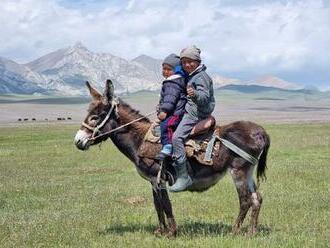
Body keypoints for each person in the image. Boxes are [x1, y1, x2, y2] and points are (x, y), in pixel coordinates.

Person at [169, 45, 215, 192]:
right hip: (190, 111)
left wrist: (194, 93)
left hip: (195, 114)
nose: (187, 65)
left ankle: (183, 177)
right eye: (184, 62)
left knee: (176, 138)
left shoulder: (201, 77)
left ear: (197, 61)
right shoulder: (193, 75)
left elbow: (205, 97)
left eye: (191, 61)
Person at [156, 53, 187, 160]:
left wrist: (164, 110)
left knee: (167, 125)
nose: (165, 71)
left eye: (169, 69)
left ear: (177, 69)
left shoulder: (172, 82)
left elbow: (170, 98)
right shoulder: (175, 80)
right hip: (175, 110)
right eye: (164, 68)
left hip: (175, 112)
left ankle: (168, 145)